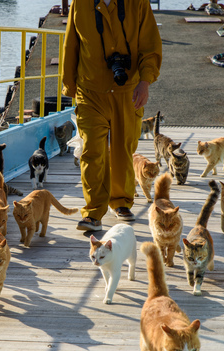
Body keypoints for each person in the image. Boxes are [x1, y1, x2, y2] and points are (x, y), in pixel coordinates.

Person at [62, 0, 162, 231]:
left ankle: (121, 201)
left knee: (122, 149)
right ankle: (94, 211)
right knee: (92, 151)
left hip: (127, 92)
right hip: (90, 91)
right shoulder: (81, 3)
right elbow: (71, 46)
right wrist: (70, 87)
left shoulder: (138, 3)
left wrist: (145, 82)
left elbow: (150, 46)